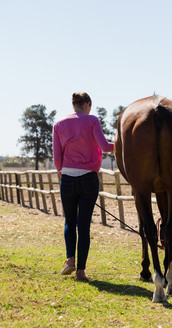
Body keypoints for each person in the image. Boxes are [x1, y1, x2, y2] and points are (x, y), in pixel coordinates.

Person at [53, 92, 114, 280]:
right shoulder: (92, 121)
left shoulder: (59, 124)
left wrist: (63, 173)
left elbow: (57, 159)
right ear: (87, 104)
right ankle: (81, 271)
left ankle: (70, 259)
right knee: (84, 225)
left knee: (69, 222)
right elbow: (105, 147)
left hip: (68, 178)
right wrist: (121, 141)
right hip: (89, 178)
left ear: (73, 104)